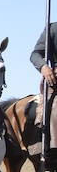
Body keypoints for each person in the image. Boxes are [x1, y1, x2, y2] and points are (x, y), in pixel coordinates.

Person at [28, 18, 57, 158]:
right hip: (56, 78)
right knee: (54, 107)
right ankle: (52, 154)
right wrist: (44, 67)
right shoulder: (53, 28)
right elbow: (35, 54)